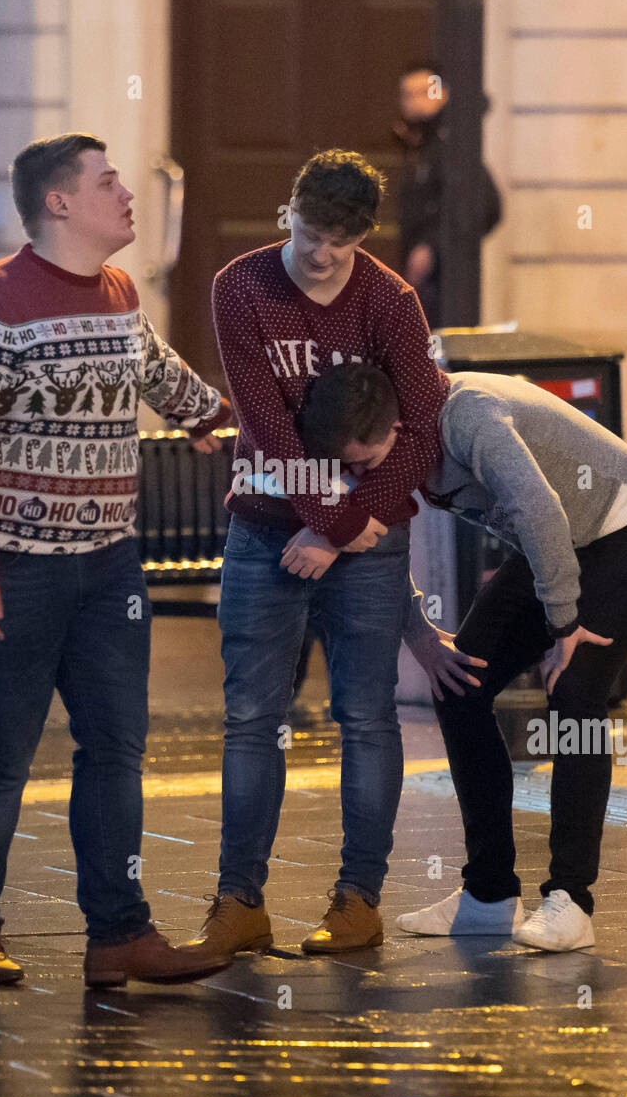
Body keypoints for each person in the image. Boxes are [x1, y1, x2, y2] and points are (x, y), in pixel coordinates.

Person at [0, 132, 232, 988]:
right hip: (11, 566)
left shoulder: (119, 290)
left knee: (114, 748)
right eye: (107, 183)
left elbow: (148, 366)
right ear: (58, 203)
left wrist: (205, 416)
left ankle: (119, 934)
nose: (127, 194)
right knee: (0, 751)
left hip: (105, 562)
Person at [298, 361, 627, 952]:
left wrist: (564, 623)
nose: (360, 476)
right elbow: (384, 545)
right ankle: (489, 896)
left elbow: (539, 508)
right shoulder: (389, 447)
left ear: (400, 429)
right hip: (553, 542)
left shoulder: (469, 416)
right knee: (460, 683)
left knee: (575, 693)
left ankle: (572, 901)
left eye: (365, 463)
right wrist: (422, 635)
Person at [185, 149, 450, 958]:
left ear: (364, 236)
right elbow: (263, 425)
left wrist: (338, 529)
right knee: (251, 719)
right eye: (309, 231)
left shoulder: (391, 301)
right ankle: (239, 902)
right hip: (269, 528)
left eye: (341, 240)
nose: (322, 253)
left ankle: (359, 901)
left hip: (361, 540)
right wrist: (332, 522)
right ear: (288, 211)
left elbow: (423, 430)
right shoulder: (242, 286)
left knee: (366, 717)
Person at [395, 62, 501, 328]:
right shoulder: (419, 143)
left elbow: (486, 205)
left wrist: (432, 247)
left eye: (423, 92)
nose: (413, 102)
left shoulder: (449, 144)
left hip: (445, 280)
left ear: (442, 94)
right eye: (407, 95)